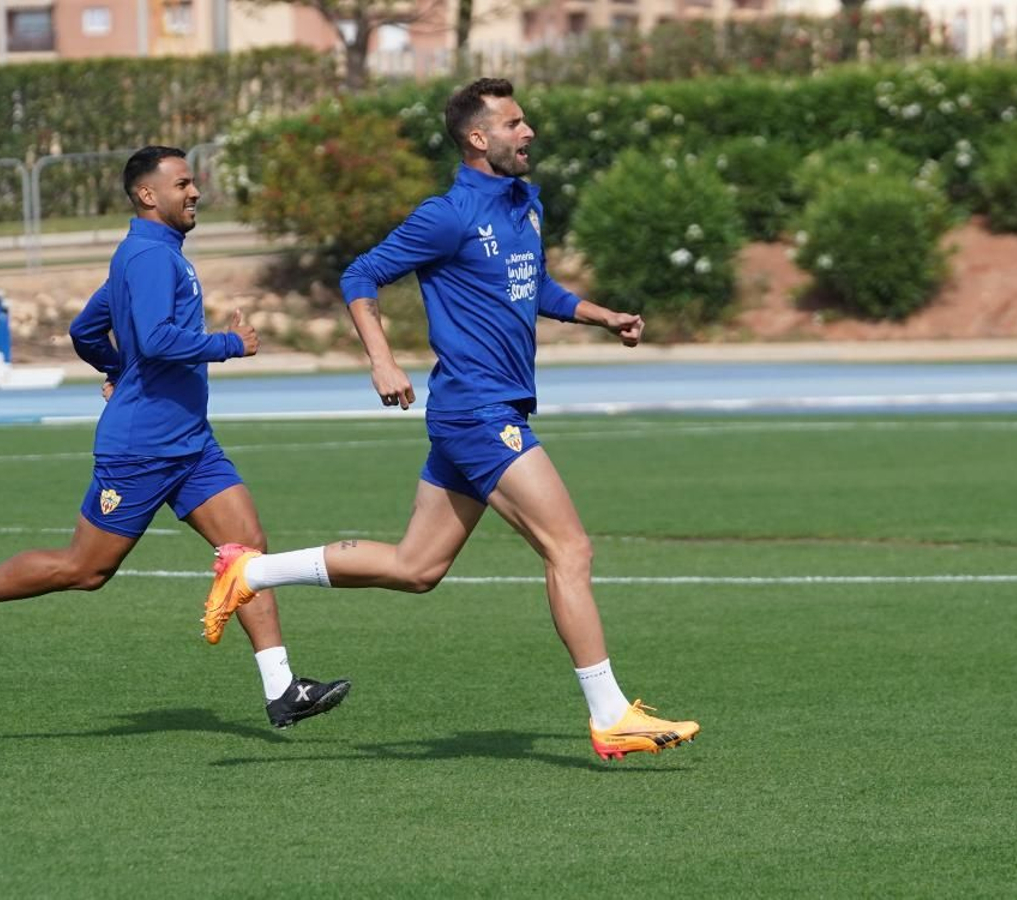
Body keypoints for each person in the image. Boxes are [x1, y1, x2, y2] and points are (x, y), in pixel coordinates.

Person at [203, 79, 699, 760]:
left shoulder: (526, 202)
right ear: (478, 138)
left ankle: (250, 574)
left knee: (416, 567)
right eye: (515, 123)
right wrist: (382, 360)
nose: (528, 133)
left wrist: (600, 315)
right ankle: (610, 714)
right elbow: (359, 276)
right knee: (571, 550)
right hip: (475, 410)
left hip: (486, 409)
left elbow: (534, 287)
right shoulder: (446, 214)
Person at [0, 145, 349, 729]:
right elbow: (160, 340)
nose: (195, 192)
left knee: (247, 552)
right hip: (141, 447)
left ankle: (282, 687)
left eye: (194, 182)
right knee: (85, 571)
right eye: (184, 183)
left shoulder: (155, 253)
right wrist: (229, 345)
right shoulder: (147, 257)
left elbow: (86, 331)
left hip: (190, 443)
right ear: (147, 195)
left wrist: (119, 371)